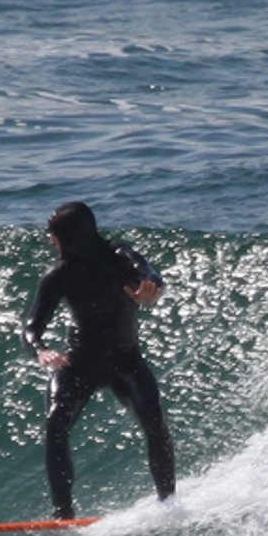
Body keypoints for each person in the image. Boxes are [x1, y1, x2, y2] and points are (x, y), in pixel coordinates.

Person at [21, 202, 175, 519]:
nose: (52, 243)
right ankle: (63, 516)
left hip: (125, 360)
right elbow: (31, 327)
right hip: (79, 363)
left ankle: (168, 505)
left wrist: (151, 292)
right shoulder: (59, 275)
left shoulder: (120, 257)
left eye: (55, 237)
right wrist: (40, 349)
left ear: (74, 237)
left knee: (155, 425)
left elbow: (151, 275)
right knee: (55, 424)